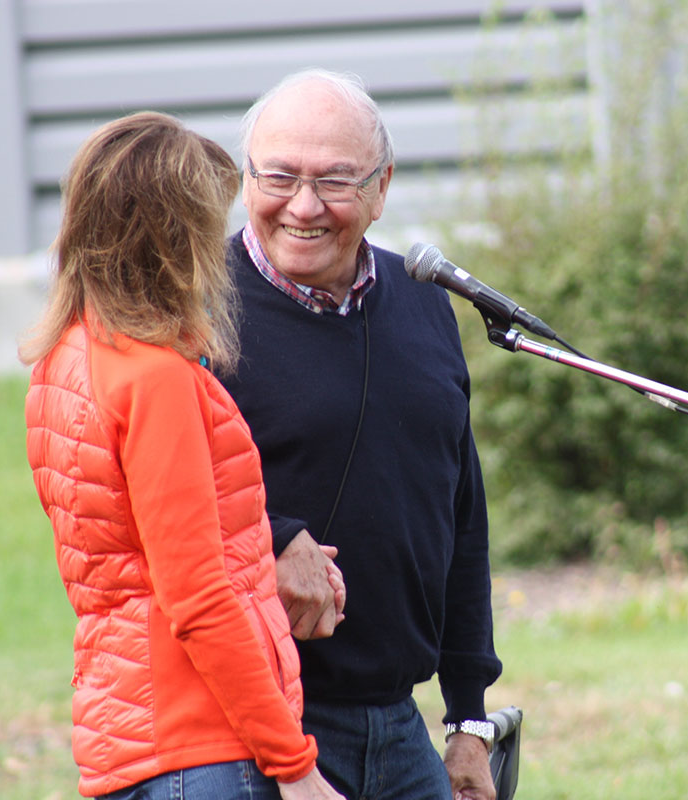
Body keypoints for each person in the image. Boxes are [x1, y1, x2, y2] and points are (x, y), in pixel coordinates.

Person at [20, 111, 344, 800]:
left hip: (127, 736)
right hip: (201, 746)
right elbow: (198, 597)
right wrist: (295, 764)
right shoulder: (154, 379)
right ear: (172, 239)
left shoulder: (66, 356)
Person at [218, 68, 503, 800]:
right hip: (258, 733)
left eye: (336, 182)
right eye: (280, 176)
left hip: (401, 729)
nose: (304, 206)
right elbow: (157, 495)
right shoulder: (196, 305)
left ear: (382, 189)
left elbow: (459, 513)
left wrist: (468, 718)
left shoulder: (424, 300)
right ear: (246, 176)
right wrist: (274, 535)